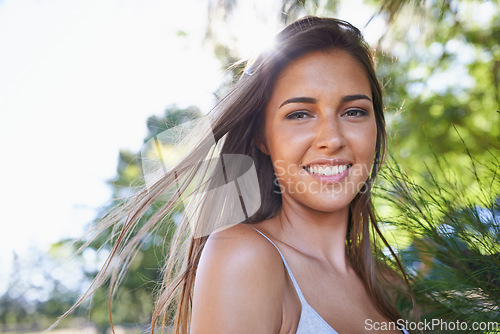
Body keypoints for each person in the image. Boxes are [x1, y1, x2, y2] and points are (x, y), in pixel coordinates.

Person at [57, 16, 411, 334]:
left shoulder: (389, 284)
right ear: (262, 137)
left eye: (353, 111)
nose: (332, 139)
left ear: (376, 127)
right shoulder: (244, 257)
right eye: (300, 114)